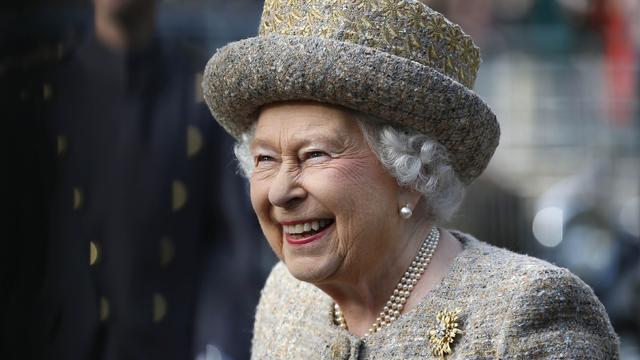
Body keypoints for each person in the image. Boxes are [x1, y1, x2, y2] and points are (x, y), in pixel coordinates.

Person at [201, 0, 619, 358]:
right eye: (266, 159)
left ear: (411, 172)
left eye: (313, 155)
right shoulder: (286, 299)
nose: (279, 191)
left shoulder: (525, 314)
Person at [5, 0, 265, 359]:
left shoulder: (201, 100)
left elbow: (232, 251)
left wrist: (215, 349)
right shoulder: (33, 95)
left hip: (167, 346)